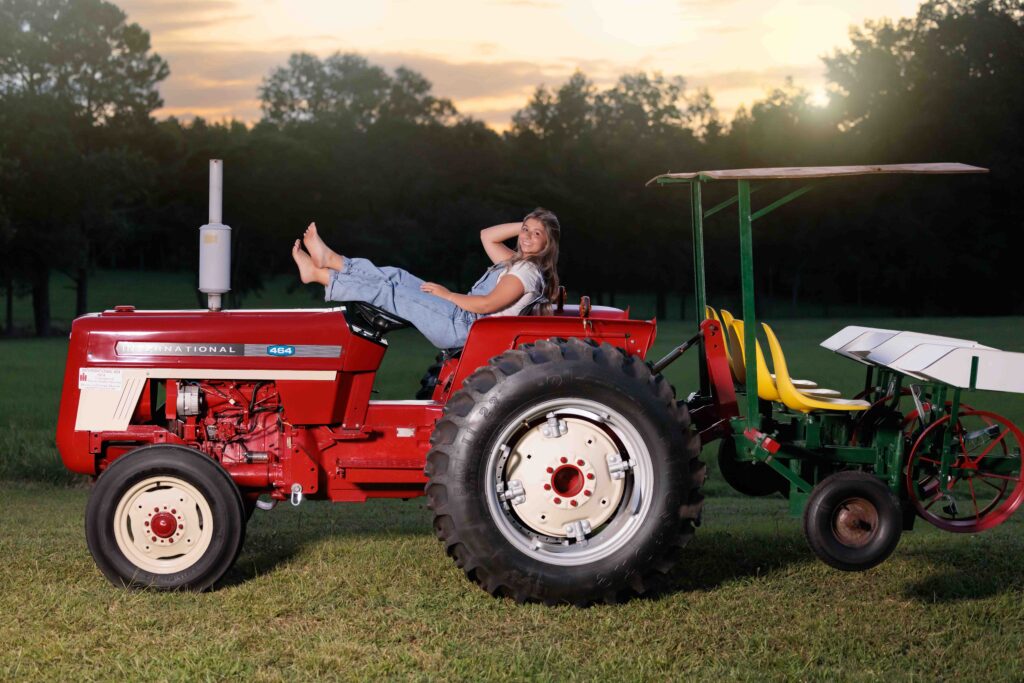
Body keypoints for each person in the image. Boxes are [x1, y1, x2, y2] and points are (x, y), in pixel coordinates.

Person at [291, 208, 561, 349]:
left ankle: (320, 275)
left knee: (390, 291)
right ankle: (332, 261)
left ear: (548, 242)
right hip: (459, 316)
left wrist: (447, 295)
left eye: (537, 234)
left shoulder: (526, 272)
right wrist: (530, 222)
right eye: (525, 230)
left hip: (462, 326)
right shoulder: (517, 262)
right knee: (397, 276)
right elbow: (486, 235)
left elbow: (487, 305)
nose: (526, 236)